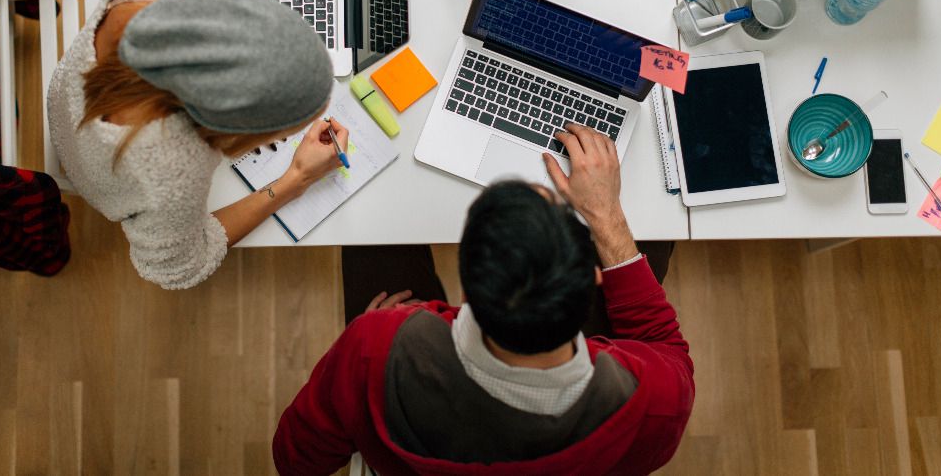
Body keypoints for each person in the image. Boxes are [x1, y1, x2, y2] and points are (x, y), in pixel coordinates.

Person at [273, 124, 694, 475]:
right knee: (654, 229)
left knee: (371, 233)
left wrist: (374, 335)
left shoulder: (376, 346)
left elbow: (296, 460)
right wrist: (606, 216)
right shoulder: (654, 405)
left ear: (466, 292)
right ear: (592, 278)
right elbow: (667, 349)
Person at [48, 0, 348, 289]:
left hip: (68, 91)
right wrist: (295, 179)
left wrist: (209, 20)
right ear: (237, 130)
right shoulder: (173, 172)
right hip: (92, 168)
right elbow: (176, 269)